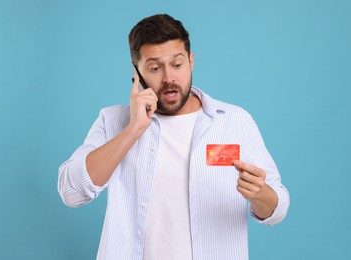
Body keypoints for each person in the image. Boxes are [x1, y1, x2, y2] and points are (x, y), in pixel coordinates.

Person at [58, 14, 290, 260]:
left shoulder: (233, 121)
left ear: (191, 61)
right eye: (155, 68)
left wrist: (259, 194)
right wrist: (133, 129)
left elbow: (278, 208)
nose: (169, 78)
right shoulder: (113, 120)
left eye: (177, 65)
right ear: (136, 71)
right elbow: (71, 192)